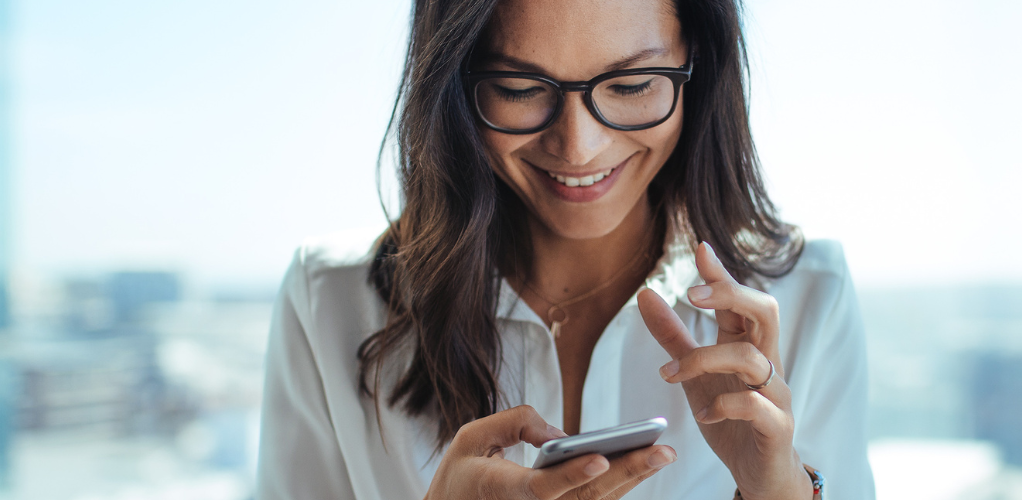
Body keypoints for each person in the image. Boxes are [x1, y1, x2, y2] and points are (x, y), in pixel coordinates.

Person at [254, 0, 871, 497]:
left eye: (631, 84)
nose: (579, 148)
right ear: (453, 85)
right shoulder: (329, 297)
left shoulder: (810, 291)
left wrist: (780, 493)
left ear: (698, 65)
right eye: (520, 89)